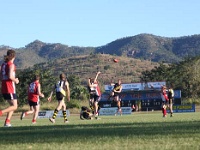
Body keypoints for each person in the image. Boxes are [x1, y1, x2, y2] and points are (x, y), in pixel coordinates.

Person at [0, 49, 19, 127]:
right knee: (15, 106)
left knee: (12, 106)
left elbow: (1, 76)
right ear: (14, 56)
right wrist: (16, 80)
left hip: (4, 86)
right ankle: (1, 112)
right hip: (10, 86)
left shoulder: (3, 64)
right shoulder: (11, 64)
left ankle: (7, 122)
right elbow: (10, 76)